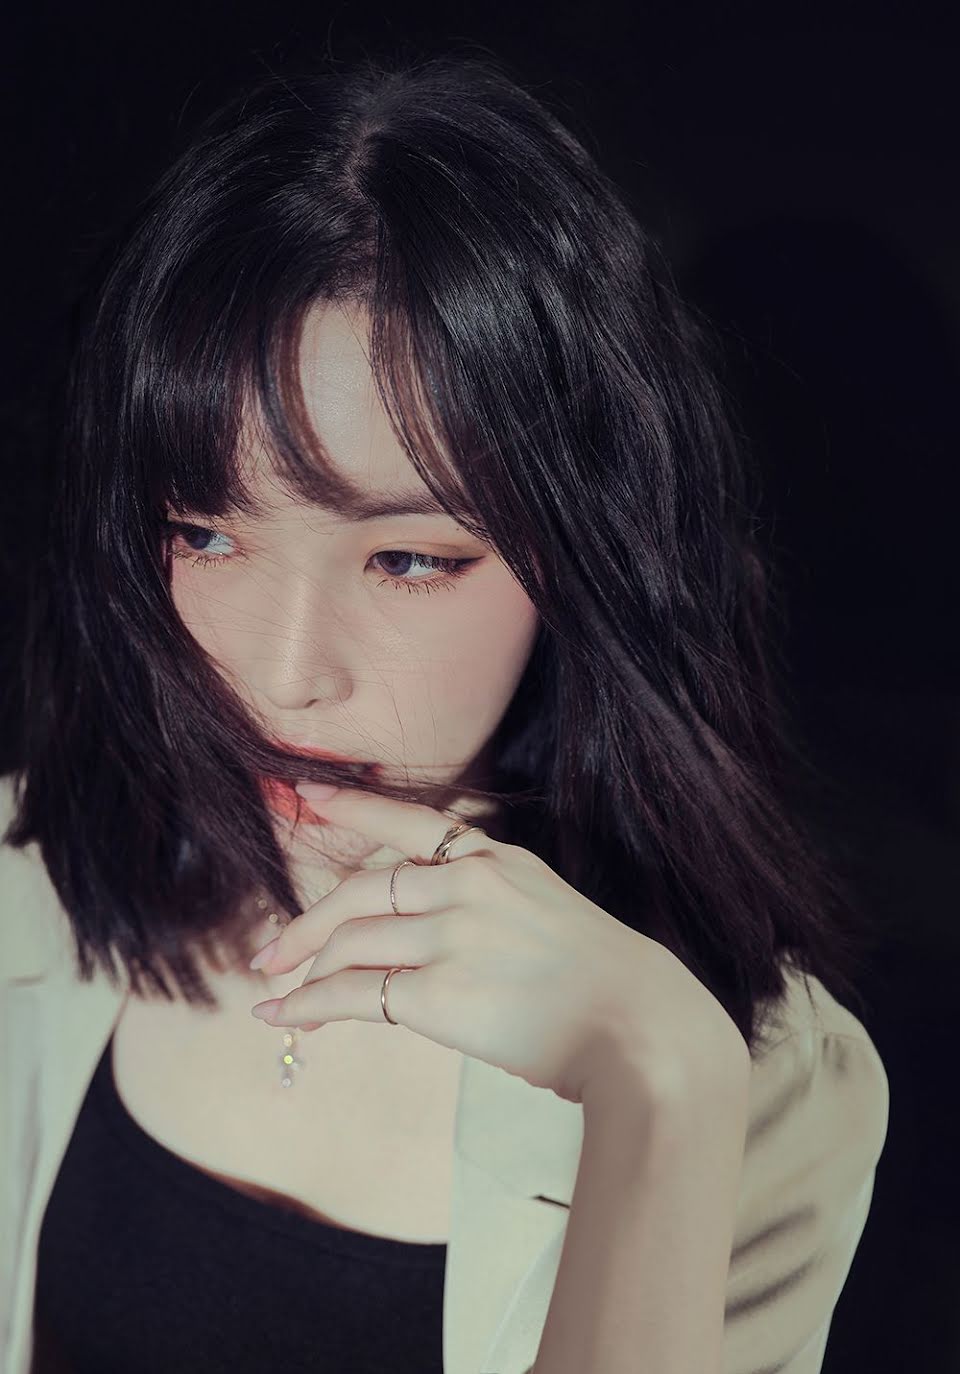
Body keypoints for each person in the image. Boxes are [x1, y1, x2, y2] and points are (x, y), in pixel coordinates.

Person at [0, 51, 889, 1374]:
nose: (286, 675)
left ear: (582, 561)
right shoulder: (29, 879)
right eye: (205, 535)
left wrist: (658, 1090)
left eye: (408, 558)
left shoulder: (758, 1073)